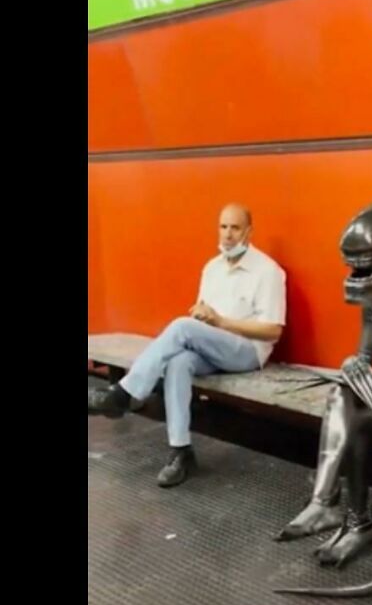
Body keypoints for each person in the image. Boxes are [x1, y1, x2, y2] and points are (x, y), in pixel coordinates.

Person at [88, 203, 286, 487]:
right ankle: (181, 451)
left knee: (182, 326)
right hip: (212, 347)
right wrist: (203, 318)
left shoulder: (267, 271)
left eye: (235, 228)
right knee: (178, 362)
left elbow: (273, 331)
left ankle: (124, 394)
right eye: (223, 227)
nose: (228, 234)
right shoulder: (212, 268)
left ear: (249, 232)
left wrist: (219, 321)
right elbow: (202, 318)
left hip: (247, 352)